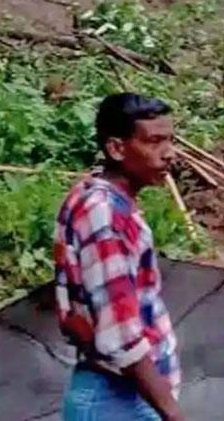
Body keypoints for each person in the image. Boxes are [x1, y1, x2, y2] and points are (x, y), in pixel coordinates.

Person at [55, 94, 185, 421]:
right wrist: (171, 412)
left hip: (125, 395)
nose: (169, 153)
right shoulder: (105, 214)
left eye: (170, 140)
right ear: (116, 148)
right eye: (154, 141)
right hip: (118, 399)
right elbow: (120, 334)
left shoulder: (98, 197)